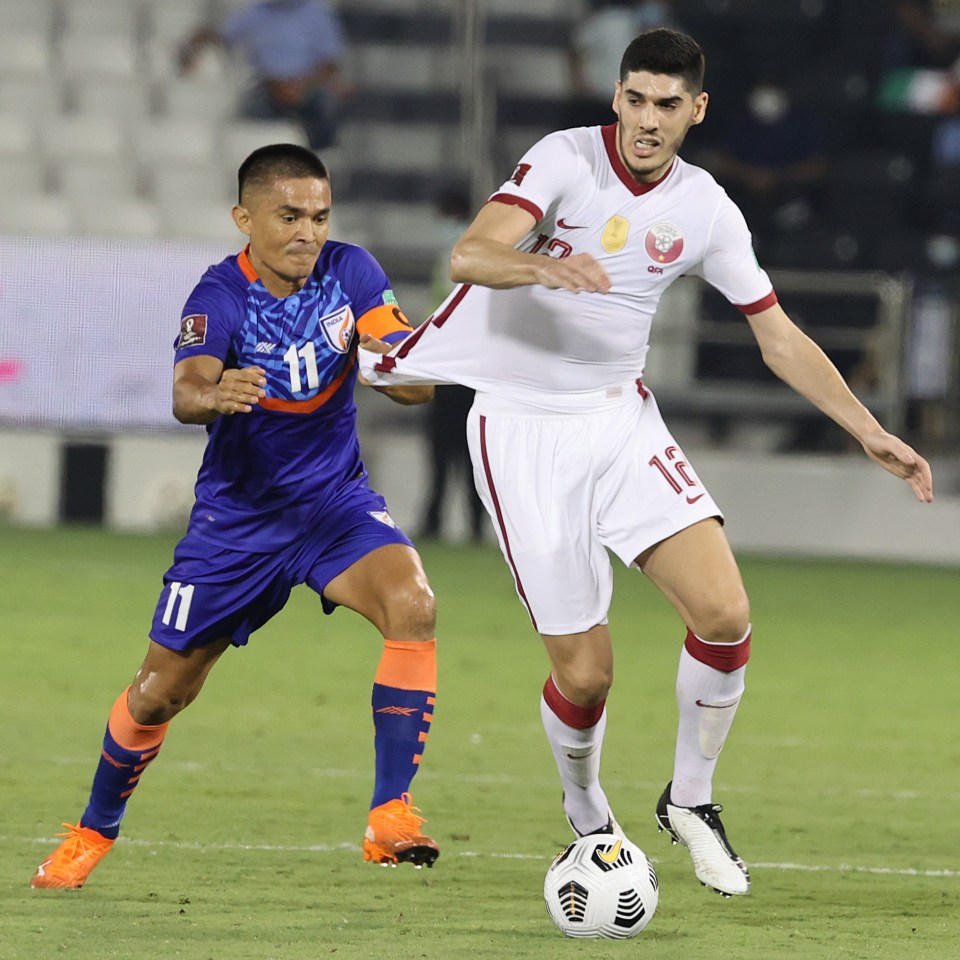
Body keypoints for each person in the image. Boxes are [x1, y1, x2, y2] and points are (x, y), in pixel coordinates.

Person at [358, 29, 934, 897]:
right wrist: (542, 270)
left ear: (696, 111)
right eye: (634, 99)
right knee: (587, 674)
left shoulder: (705, 207)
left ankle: (691, 802)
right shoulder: (564, 160)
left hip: (619, 420)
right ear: (616, 98)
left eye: (668, 105)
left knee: (726, 612)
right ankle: (587, 809)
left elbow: (775, 335)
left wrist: (866, 427)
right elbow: (469, 254)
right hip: (521, 430)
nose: (646, 121)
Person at [31, 144, 441, 890]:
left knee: (413, 603)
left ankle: (391, 815)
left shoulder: (352, 273)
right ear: (244, 218)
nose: (308, 232)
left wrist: (394, 365)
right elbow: (187, 389)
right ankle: (92, 832)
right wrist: (213, 395)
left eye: (319, 215)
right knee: (161, 692)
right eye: (289, 215)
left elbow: (410, 378)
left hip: (333, 507)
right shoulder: (219, 294)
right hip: (238, 526)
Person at [179, 0, 353, 150]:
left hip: (308, 87)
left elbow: (330, 64)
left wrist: (299, 85)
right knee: (245, 117)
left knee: (327, 104)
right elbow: (221, 35)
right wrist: (194, 44)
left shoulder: (318, 14)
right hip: (268, 88)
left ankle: (320, 156)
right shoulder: (256, 12)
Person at [418, 187, 486, 543]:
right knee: (469, 452)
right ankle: (474, 525)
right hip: (468, 369)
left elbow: (447, 316)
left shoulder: (457, 256)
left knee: (444, 451)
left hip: (450, 370)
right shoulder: (463, 254)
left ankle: (436, 521)